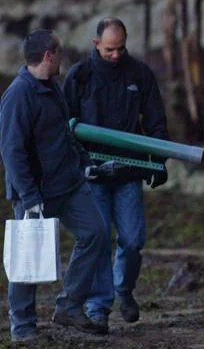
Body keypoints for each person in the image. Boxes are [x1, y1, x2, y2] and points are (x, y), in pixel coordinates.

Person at [0, 29, 110, 342]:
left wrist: (83, 161)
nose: (62, 57)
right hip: (35, 193)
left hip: (69, 185)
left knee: (96, 234)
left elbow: (65, 132)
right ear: (49, 55)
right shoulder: (19, 95)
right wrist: (29, 195)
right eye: (59, 52)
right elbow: (11, 150)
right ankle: (23, 327)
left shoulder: (52, 87)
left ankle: (69, 306)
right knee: (27, 258)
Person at [63, 18, 169, 330]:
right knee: (99, 240)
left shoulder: (139, 74)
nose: (116, 54)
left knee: (133, 239)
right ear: (96, 43)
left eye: (121, 48)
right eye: (109, 49)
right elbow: (64, 125)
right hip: (92, 174)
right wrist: (73, 165)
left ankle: (124, 289)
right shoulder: (79, 76)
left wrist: (158, 161)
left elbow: (155, 121)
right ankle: (98, 305)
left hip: (129, 171)